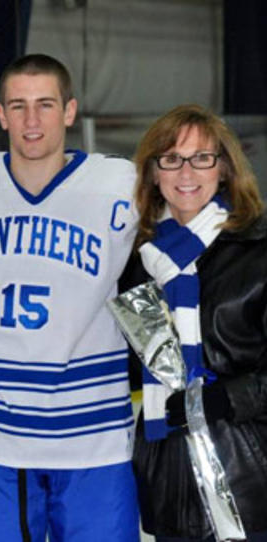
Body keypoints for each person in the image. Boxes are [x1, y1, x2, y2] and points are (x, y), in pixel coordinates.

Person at [0, 53, 139, 541]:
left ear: (69, 111)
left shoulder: (121, 185)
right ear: (0, 115)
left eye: (45, 104)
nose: (31, 120)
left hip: (93, 436)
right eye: (17, 106)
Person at [124, 104, 267, 542]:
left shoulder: (259, 252)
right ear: (152, 174)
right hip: (166, 479)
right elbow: (130, 362)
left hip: (247, 480)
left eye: (201, 157)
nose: (186, 172)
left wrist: (223, 400)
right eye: (171, 158)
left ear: (223, 169)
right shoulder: (137, 262)